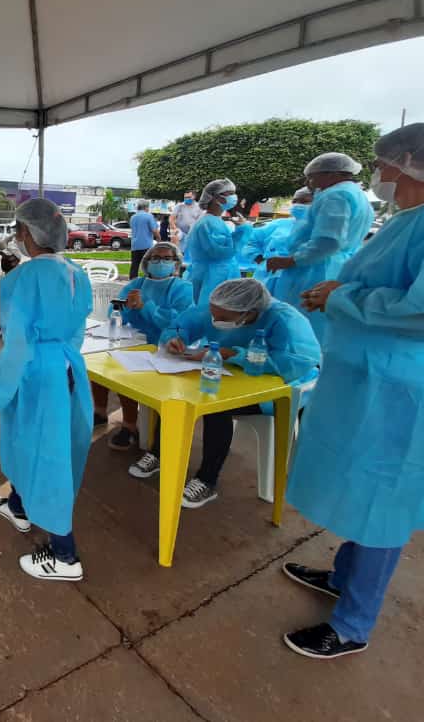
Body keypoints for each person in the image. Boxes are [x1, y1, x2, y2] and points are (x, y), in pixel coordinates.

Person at [281, 123, 424, 660]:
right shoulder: (405, 221)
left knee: (383, 499)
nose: (380, 174)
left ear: (410, 165)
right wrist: (340, 295)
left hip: (399, 390)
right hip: (370, 376)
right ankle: (343, 577)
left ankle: (352, 625)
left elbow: (417, 308)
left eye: (388, 164)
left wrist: (340, 296)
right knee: (359, 486)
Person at [0, 198, 93, 581]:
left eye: (18, 231)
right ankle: (19, 506)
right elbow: (76, 328)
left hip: (36, 372)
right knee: (33, 444)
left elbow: (17, 342)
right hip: (66, 366)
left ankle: (64, 555)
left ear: (27, 232)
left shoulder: (20, 279)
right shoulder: (77, 273)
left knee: (45, 455)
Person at [128, 279, 320, 508]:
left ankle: (207, 480)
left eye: (224, 319)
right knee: (174, 391)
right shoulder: (218, 307)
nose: (215, 321)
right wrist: (174, 339)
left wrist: (234, 355)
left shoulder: (285, 321)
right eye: (213, 315)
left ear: (249, 314)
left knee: (216, 407)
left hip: (281, 386)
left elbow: (296, 363)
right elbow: (182, 324)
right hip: (228, 375)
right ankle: (159, 453)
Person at [92, 242, 192, 449]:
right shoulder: (136, 284)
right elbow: (114, 313)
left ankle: (130, 426)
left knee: (127, 375)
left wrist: (147, 307)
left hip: (164, 348)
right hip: (132, 342)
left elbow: (178, 323)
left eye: (166, 258)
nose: (160, 262)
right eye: (155, 258)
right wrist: (127, 307)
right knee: (99, 364)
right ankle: (100, 412)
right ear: (146, 263)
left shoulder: (183, 288)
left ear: (176, 264)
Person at [265, 152, 372, 342]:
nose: (309, 183)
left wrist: (292, 260)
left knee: (300, 325)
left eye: (312, 177)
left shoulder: (336, 195)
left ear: (331, 174)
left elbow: (328, 241)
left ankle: (299, 364)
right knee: (317, 326)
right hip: (330, 266)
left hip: (315, 270)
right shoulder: (357, 195)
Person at [183, 178, 243, 305]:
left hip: (214, 275)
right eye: (230, 193)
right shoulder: (208, 223)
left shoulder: (215, 221)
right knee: (211, 314)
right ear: (216, 197)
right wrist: (243, 231)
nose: (234, 197)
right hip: (212, 277)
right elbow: (221, 253)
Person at [243, 187, 313, 288]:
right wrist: (262, 261)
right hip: (267, 278)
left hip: (303, 281)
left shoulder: (322, 229)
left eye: (304, 201)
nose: (297, 205)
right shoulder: (277, 224)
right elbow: (251, 242)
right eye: (294, 201)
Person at [129, 200, 159, 279]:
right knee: (148, 266)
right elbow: (154, 230)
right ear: (146, 207)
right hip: (146, 245)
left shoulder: (133, 217)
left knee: (134, 265)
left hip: (135, 245)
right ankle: (148, 283)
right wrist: (159, 239)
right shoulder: (148, 216)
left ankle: (132, 282)